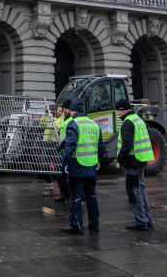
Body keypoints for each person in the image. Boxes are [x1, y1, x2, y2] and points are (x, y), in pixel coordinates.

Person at [60, 97, 105, 234]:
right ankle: (94, 223)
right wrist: (97, 161)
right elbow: (101, 147)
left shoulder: (73, 124)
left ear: (73, 110)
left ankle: (76, 225)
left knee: (76, 196)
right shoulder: (94, 124)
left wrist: (64, 163)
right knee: (91, 195)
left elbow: (70, 146)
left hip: (77, 165)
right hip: (91, 166)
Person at [116, 99, 155, 231]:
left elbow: (127, 145)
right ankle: (148, 219)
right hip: (141, 160)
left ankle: (141, 220)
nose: (117, 113)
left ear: (122, 110)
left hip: (132, 161)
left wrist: (119, 159)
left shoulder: (128, 122)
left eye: (118, 110)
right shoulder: (138, 120)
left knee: (134, 192)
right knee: (141, 190)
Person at [41, 103, 69, 200]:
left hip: (55, 144)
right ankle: (49, 186)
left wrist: (53, 121)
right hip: (46, 143)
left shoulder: (62, 120)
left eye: (60, 110)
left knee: (58, 167)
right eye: (57, 110)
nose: (58, 111)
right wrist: (45, 114)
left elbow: (58, 127)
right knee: (44, 165)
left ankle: (61, 190)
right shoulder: (50, 117)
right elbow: (42, 123)